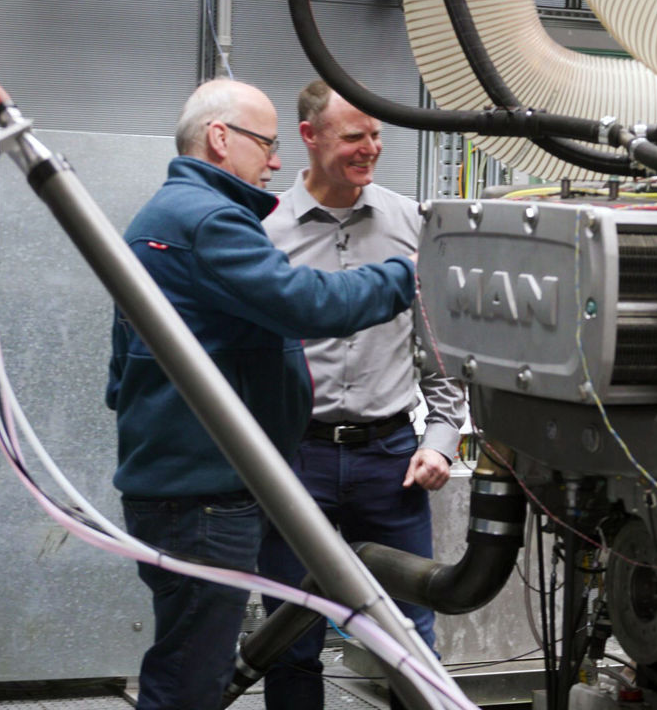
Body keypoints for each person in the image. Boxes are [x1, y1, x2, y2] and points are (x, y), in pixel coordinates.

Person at [105, 78, 418, 710]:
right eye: (266, 144)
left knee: (192, 661)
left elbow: (121, 378)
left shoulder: (169, 214)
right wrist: (406, 273)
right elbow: (308, 304)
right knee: (190, 679)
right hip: (203, 496)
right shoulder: (209, 220)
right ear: (220, 139)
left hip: (185, 486)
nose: (274, 162)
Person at [259, 80, 466, 710]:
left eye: (377, 135)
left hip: (391, 463)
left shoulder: (412, 224)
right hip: (297, 458)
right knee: (290, 639)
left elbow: (441, 353)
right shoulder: (264, 232)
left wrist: (441, 440)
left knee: (409, 636)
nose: (369, 148)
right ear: (310, 136)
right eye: (354, 135)